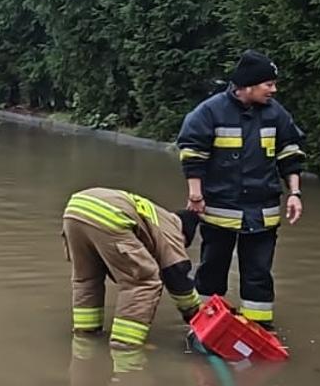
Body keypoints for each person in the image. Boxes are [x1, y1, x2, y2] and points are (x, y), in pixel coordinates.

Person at [176, 50, 307, 328]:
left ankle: (259, 329)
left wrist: (294, 193)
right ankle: (204, 327)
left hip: (262, 213)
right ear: (248, 85)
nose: (274, 90)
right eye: (268, 84)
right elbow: (193, 154)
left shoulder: (276, 114)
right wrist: (195, 195)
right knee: (212, 271)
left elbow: (290, 153)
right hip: (219, 210)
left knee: (258, 274)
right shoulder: (210, 112)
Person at [62, 187, 203, 350]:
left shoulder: (156, 216)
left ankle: (86, 335)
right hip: (108, 215)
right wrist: (195, 312)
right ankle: (125, 347)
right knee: (143, 281)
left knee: (87, 279)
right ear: (184, 235)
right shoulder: (173, 229)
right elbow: (176, 272)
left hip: (75, 210)